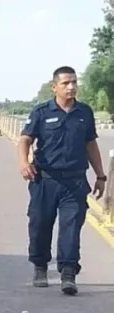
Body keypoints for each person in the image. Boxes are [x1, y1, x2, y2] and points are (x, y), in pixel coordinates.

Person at [17, 65, 107, 295]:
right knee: (40, 225)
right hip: (44, 180)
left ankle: (68, 273)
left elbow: (90, 144)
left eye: (74, 82)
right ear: (54, 86)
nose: (71, 87)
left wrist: (100, 175)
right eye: (66, 83)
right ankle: (40, 266)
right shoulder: (41, 112)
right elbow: (25, 139)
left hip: (74, 182)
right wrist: (24, 162)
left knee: (71, 228)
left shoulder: (84, 112)